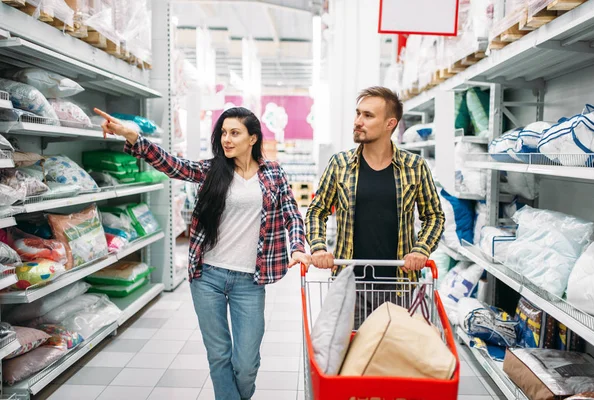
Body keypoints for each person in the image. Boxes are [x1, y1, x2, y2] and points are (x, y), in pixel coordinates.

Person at [94, 106, 311, 400]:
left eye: (235, 133)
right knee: (219, 354)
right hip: (207, 275)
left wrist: (298, 247)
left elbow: (292, 215)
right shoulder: (211, 171)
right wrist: (135, 138)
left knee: (246, 363)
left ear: (253, 138)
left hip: (250, 280)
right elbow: (172, 164)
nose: (226, 139)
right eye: (223, 133)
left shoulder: (273, 173)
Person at [305, 86, 445, 328]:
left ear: (390, 123)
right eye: (358, 114)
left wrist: (421, 250)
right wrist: (318, 248)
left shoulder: (415, 166)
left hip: (398, 284)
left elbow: (434, 216)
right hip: (350, 283)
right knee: (352, 358)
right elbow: (317, 211)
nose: (358, 121)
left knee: (390, 355)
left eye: (368, 116)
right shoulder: (340, 164)